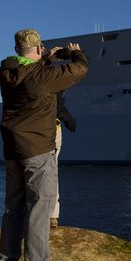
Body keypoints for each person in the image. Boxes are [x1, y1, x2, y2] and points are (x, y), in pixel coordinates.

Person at [0, 29, 87, 261]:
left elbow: (27, 74)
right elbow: (79, 70)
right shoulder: (44, 77)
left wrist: (45, 60)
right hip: (38, 149)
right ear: (38, 49)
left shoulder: (6, 73)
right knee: (39, 207)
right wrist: (75, 53)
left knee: (13, 207)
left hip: (12, 149)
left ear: (16, 50)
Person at [50, 93, 77, 229]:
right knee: (51, 173)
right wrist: (69, 121)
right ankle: (52, 215)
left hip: (23, 131)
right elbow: (58, 107)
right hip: (49, 131)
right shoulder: (51, 82)